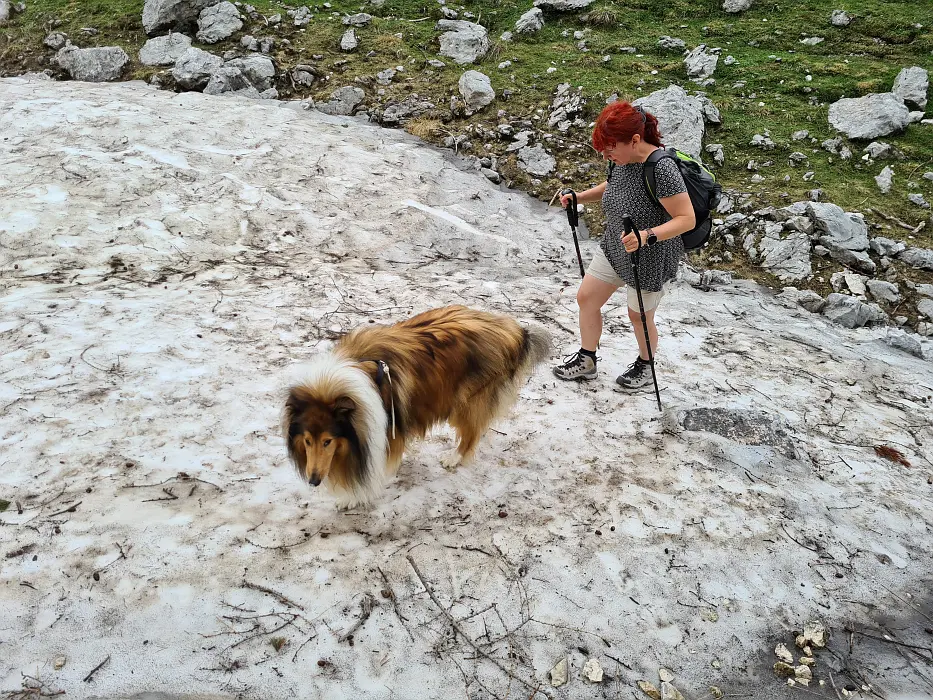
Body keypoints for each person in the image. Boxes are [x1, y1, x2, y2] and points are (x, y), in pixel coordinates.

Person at [552, 100, 696, 389]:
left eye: (610, 148)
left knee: (638, 316)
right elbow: (613, 187)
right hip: (616, 245)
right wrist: (580, 196)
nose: (606, 154)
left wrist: (646, 236)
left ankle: (645, 366)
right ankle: (587, 359)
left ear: (634, 140)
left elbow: (686, 218)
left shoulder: (662, 170)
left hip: (651, 254)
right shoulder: (621, 160)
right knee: (587, 298)